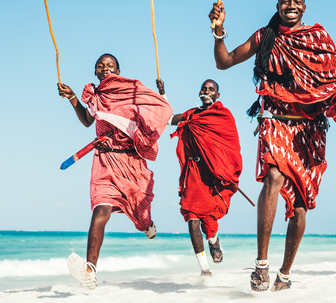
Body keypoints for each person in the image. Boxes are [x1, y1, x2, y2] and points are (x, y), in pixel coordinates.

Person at [208, 0, 336, 291]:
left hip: (309, 130)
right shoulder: (265, 37)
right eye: (285, 1)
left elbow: (335, 83)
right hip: (274, 120)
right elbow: (223, 62)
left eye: (297, 1)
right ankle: (261, 266)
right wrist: (219, 31)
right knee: (273, 176)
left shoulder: (319, 39)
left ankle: (285, 274)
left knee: (301, 205)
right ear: (277, 5)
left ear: (304, 7)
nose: (291, 5)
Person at [57, 53, 172, 289]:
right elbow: (88, 121)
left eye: (110, 65)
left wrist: (162, 96)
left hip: (131, 162)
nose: (105, 68)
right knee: (101, 209)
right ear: (96, 73)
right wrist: (71, 98)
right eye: (100, 66)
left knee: (140, 217)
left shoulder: (131, 92)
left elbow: (159, 112)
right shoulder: (95, 96)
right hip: (105, 161)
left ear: (118, 72)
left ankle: (146, 225)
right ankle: (90, 270)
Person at [156, 78, 243, 275]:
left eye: (211, 89)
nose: (207, 91)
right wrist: (162, 94)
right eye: (204, 88)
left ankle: (213, 239)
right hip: (193, 172)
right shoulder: (191, 115)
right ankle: (204, 269)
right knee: (192, 218)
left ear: (217, 95)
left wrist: (225, 169)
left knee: (209, 219)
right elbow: (167, 120)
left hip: (212, 174)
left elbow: (231, 146)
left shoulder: (223, 115)